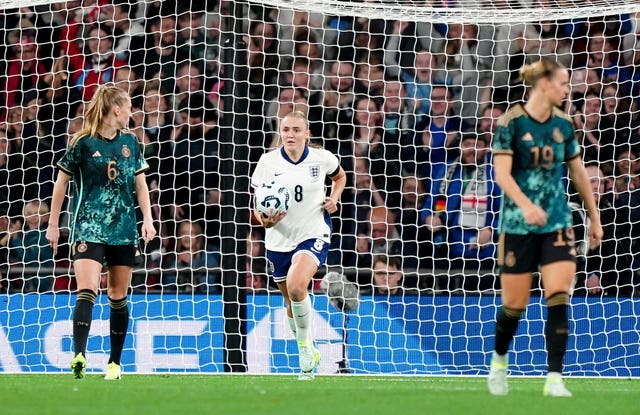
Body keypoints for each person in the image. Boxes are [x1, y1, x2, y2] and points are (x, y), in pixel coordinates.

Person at [487, 58, 603, 397]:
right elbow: (502, 174)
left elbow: (579, 172)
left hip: (557, 222)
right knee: (514, 305)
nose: (568, 89)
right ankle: (498, 362)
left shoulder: (565, 125)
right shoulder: (510, 122)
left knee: (558, 293)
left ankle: (554, 378)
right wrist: (525, 206)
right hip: (517, 226)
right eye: (564, 83)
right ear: (544, 85)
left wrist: (594, 217)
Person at [46, 83, 156, 380]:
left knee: (117, 294)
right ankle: (79, 355)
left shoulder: (131, 143)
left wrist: (148, 219)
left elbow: (140, 184)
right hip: (88, 227)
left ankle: (114, 363)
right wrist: (54, 224)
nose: (132, 111)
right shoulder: (82, 143)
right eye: (129, 106)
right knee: (88, 289)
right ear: (116, 110)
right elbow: (61, 183)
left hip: (123, 229)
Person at [251, 111, 346, 380]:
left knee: (296, 286)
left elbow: (340, 177)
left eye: (296, 129)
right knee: (290, 301)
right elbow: (257, 204)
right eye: (286, 129)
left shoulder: (322, 158)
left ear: (307, 133)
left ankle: (305, 350)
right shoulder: (268, 162)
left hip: (313, 231)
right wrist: (265, 222)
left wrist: (334, 198)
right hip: (278, 238)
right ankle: (307, 347)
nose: (290, 134)